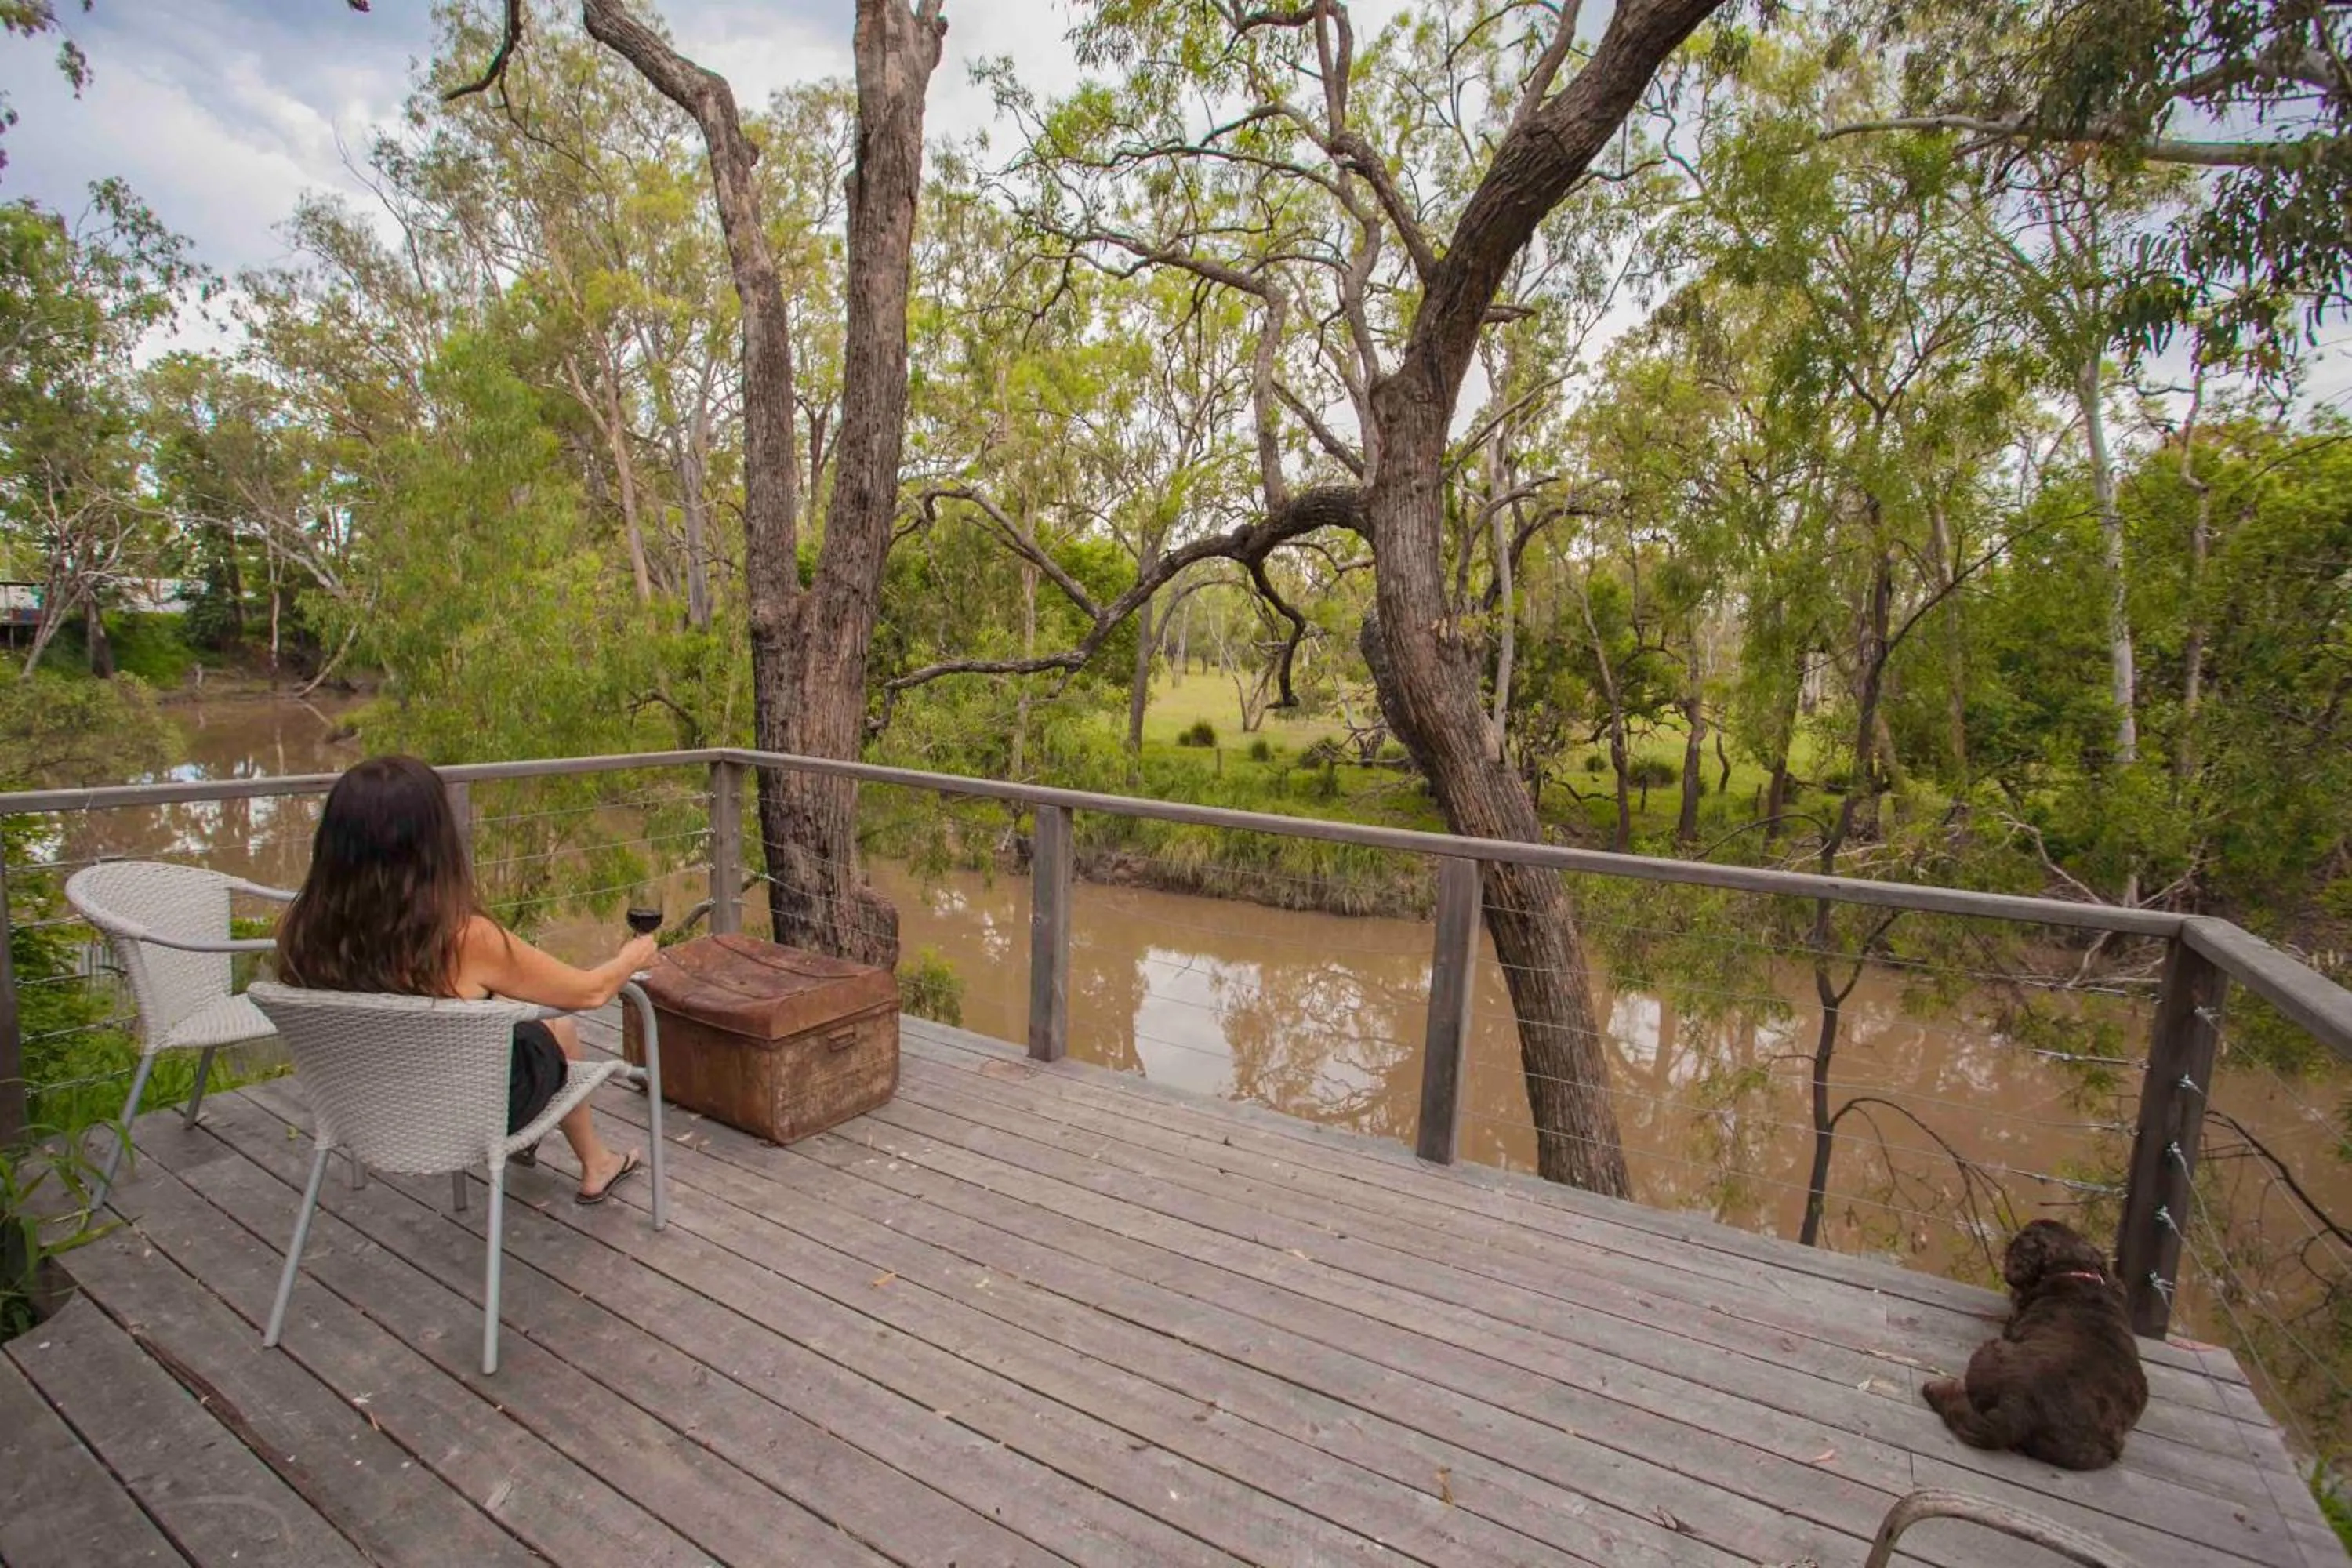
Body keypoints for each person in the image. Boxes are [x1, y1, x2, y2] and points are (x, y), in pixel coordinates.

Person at [274, 753, 655, 1203]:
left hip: (363, 1109)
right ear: (433, 840)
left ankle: (579, 1155)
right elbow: (588, 991)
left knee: (527, 1025)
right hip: (467, 1112)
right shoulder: (463, 937)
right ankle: (597, 1164)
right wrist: (632, 957)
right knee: (559, 1026)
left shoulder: (299, 928)